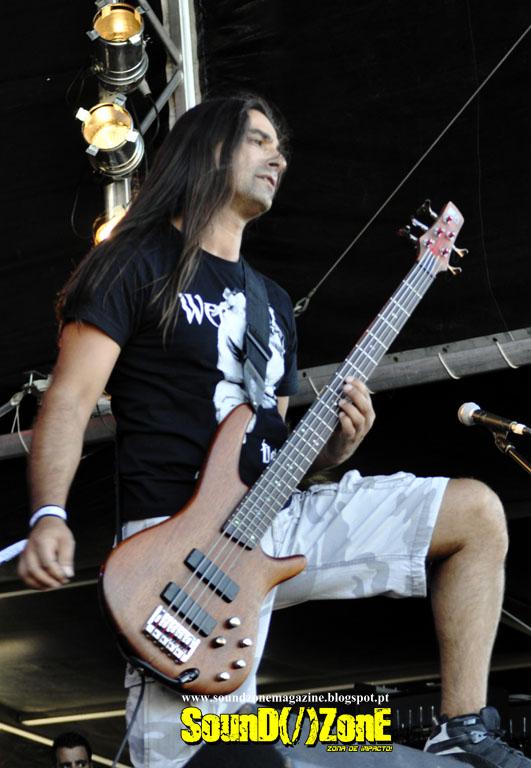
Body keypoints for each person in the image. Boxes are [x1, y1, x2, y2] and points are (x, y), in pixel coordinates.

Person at [18, 95, 526, 768]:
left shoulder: (273, 303)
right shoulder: (134, 264)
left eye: (279, 146)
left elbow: (271, 453)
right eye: (258, 140)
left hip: (273, 521)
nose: (278, 157)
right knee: (211, 761)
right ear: (208, 151)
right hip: (177, 547)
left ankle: (460, 726)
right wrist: (49, 513)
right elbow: (71, 399)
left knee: (475, 514)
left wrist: (334, 450)